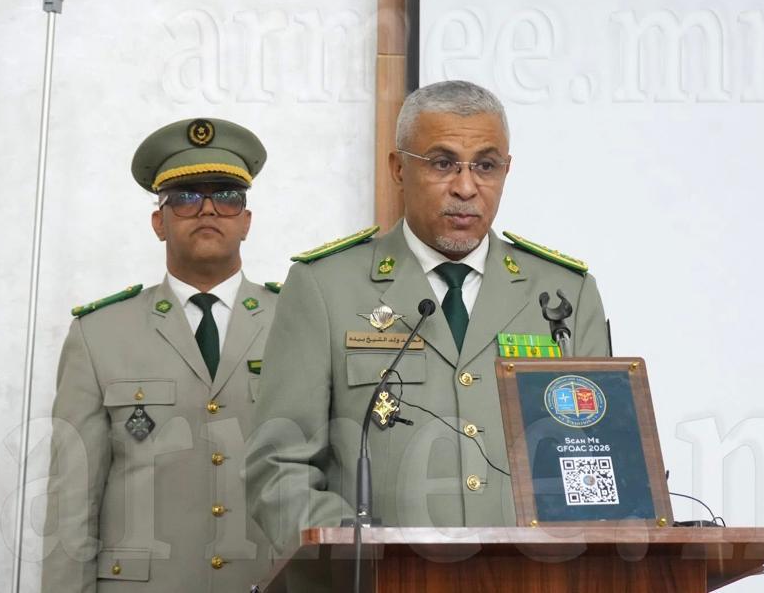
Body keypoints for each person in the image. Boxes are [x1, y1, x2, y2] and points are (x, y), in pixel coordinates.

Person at [246, 81, 611, 558]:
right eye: (442, 163)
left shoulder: (566, 294)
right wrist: (362, 558)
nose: (466, 187)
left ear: (506, 171)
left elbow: (597, 460)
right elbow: (278, 468)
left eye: (485, 166)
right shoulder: (325, 287)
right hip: (380, 580)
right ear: (399, 169)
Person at [43, 118, 278, 592]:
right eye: (185, 197)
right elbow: (72, 502)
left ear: (247, 221)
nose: (207, 209)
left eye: (227, 196)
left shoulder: (296, 321)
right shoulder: (99, 334)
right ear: (159, 222)